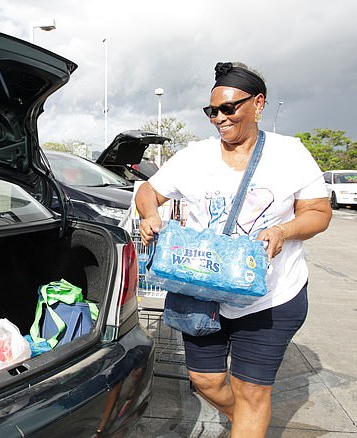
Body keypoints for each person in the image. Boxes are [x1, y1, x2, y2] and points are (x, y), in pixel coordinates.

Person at [135, 61, 331, 437]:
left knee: (252, 391)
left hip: (271, 297)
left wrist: (284, 230)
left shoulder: (290, 153)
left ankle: (248, 420)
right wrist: (149, 215)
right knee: (205, 380)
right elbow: (149, 191)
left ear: (258, 104)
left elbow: (319, 213)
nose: (219, 118)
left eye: (229, 108)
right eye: (212, 111)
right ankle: (243, 420)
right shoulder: (195, 156)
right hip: (201, 292)